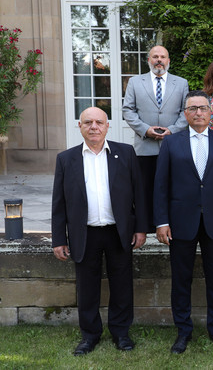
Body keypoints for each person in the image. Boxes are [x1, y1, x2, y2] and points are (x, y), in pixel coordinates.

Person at [154, 90, 213, 354]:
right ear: (185, 114)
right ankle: (183, 332)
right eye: (192, 109)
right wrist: (161, 221)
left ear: (210, 112)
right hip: (181, 221)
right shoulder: (171, 143)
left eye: (202, 108)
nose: (198, 113)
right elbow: (161, 186)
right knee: (181, 280)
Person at [52, 107, 147, 356]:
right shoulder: (66, 159)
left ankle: (121, 333)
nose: (94, 126)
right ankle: (90, 336)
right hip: (85, 233)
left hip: (119, 232)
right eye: (88, 122)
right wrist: (59, 238)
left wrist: (140, 229)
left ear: (107, 126)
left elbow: (139, 195)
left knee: (122, 286)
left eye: (99, 122)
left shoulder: (125, 153)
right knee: (87, 288)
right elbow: (59, 203)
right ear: (80, 127)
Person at [122, 45, 189, 233]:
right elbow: (128, 110)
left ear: (168, 61)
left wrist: (173, 131)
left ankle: (171, 224)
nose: (159, 60)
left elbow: (186, 111)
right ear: (149, 60)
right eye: (155, 57)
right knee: (145, 189)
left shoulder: (181, 83)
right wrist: (145, 129)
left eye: (163, 57)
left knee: (173, 188)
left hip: (173, 145)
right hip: (145, 146)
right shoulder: (135, 82)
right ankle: (148, 226)